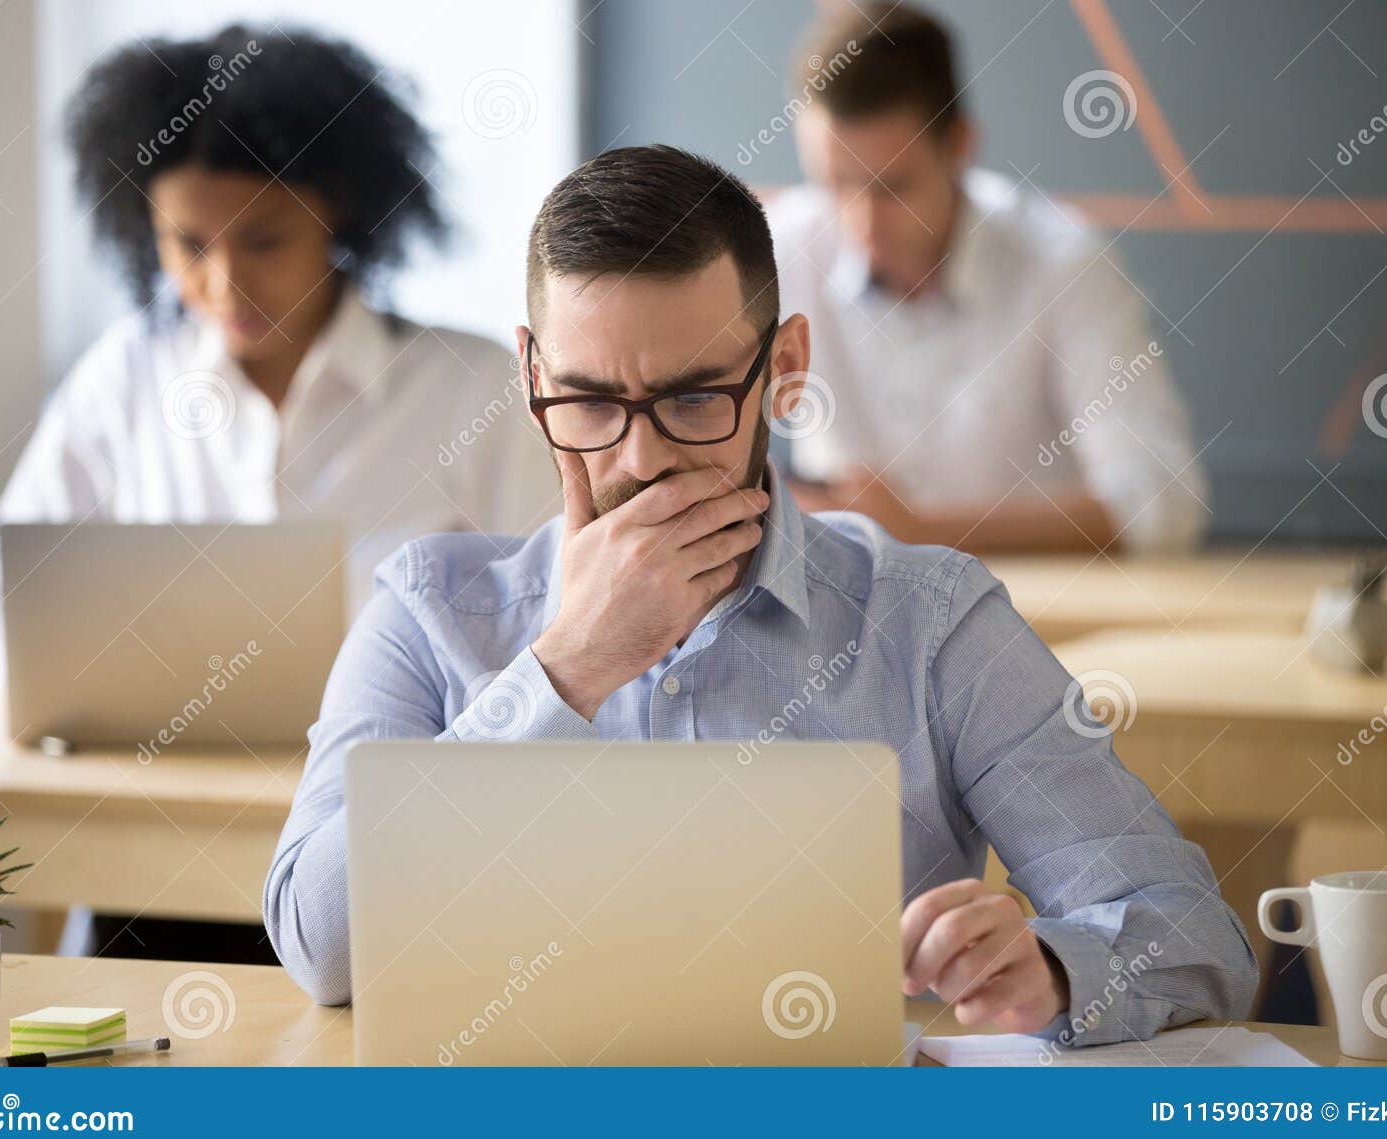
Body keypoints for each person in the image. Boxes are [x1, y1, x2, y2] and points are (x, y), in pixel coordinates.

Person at [264, 144, 1258, 1045]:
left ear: (784, 368)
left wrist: (1048, 967)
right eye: (591, 401)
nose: (640, 458)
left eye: (693, 396)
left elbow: (1195, 937)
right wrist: (566, 669)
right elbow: (321, 943)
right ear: (531, 376)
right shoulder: (427, 608)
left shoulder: (929, 621)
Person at [0, 25, 554, 963]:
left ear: (341, 218)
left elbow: (552, 633)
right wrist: (73, 701)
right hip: (152, 854)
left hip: (388, 867)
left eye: (265, 240)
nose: (224, 282)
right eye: (187, 244)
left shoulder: (471, 390)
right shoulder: (122, 381)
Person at [770, 3, 1205, 554]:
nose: (862, 223)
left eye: (892, 187)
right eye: (836, 182)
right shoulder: (777, 250)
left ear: (959, 146)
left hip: (1039, 623)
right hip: (845, 623)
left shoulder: (1063, 264)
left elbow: (1163, 503)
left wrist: (923, 536)